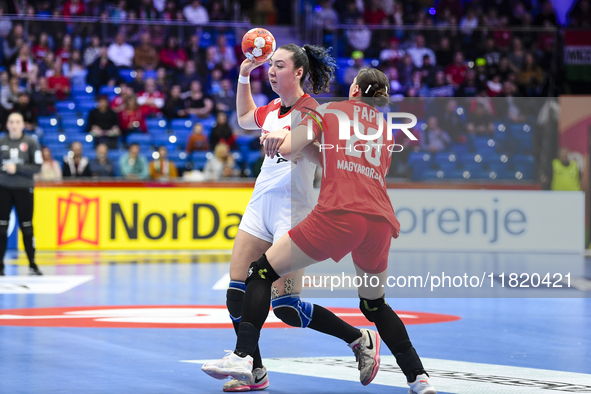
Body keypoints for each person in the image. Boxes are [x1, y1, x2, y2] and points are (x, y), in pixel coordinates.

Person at [202, 68, 436, 394]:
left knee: (260, 274)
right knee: (375, 304)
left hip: (339, 215)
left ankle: (244, 359)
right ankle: (419, 378)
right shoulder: (385, 130)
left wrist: (280, 140)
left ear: (354, 89)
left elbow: (289, 147)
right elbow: (334, 161)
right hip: (380, 220)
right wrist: (296, 147)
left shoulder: (331, 110)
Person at [0, 112, 43, 276]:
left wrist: (17, 169)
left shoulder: (31, 142)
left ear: (23, 124)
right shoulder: (1, 142)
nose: (14, 124)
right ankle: (0, 265)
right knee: (1, 229)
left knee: (27, 228)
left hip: (24, 190)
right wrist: (5, 169)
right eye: (11, 121)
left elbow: (37, 166)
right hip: (3, 189)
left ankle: (32, 264)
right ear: (7, 124)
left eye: (18, 121)